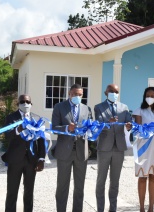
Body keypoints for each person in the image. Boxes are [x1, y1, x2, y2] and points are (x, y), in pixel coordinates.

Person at [51, 83, 93, 212]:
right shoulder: (59, 107)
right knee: (63, 186)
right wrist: (66, 128)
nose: (77, 96)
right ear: (69, 93)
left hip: (81, 152)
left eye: (80, 95)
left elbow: (90, 128)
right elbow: (54, 128)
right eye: (75, 94)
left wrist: (92, 131)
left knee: (79, 187)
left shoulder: (87, 109)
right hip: (64, 152)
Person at [2, 94, 46, 212]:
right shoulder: (11, 118)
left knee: (29, 191)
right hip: (15, 160)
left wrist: (41, 159)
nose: (25, 104)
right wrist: (18, 129)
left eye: (27, 102)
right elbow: (6, 135)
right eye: (22, 102)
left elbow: (42, 140)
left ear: (31, 104)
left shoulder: (36, 119)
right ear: (18, 104)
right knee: (12, 191)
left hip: (31, 160)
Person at [94, 83, 132, 212]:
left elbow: (129, 121)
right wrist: (107, 123)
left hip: (119, 148)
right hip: (104, 148)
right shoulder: (99, 107)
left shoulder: (124, 107)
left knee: (115, 182)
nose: (114, 94)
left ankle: (113, 209)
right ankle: (100, 209)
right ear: (106, 93)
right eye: (111, 92)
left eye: (116, 92)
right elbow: (98, 124)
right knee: (101, 181)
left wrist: (129, 125)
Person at [132, 87, 154, 212]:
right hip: (144, 146)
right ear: (144, 96)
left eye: (153, 96)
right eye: (148, 95)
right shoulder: (139, 111)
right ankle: (141, 208)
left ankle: (151, 208)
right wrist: (151, 129)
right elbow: (138, 131)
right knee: (142, 176)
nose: (150, 98)